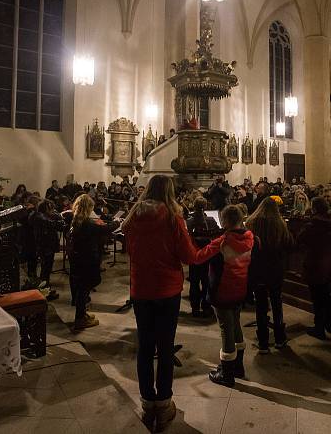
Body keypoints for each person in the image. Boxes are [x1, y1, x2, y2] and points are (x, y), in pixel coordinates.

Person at [121, 175, 204, 430]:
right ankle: (164, 404)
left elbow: (129, 250)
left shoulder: (133, 217)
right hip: (167, 290)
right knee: (165, 347)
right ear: (169, 192)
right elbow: (188, 256)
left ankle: (148, 403)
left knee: (145, 347)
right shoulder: (172, 218)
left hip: (142, 288)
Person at [195, 205, 254, 386]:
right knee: (235, 325)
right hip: (241, 288)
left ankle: (227, 374)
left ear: (225, 221)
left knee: (225, 329)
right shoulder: (250, 238)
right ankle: (238, 366)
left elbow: (198, 257)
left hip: (222, 290)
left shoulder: (223, 241)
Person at [246, 197, 293, 353]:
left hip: (257, 268)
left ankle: (263, 343)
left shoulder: (251, 223)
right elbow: (289, 244)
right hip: (275, 269)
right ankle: (280, 339)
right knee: (276, 303)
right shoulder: (280, 223)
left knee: (260, 305)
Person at [70, 194, 119, 331]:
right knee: (84, 288)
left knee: (83, 288)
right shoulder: (86, 223)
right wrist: (117, 222)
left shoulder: (77, 220)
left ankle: (82, 314)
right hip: (87, 259)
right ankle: (80, 319)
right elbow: (105, 229)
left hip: (79, 258)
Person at [299, 197, 331, 340]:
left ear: (314, 209)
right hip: (327, 262)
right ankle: (329, 324)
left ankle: (319, 328)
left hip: (314, 263)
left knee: (317, 297)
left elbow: (300, 239)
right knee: (326, 296)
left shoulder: (313, 225)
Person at [185, 197, 218, 317]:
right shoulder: (211, 220)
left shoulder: (189, 221)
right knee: (206, 281)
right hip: (207, 254)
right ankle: (206, 306)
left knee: (194, 282)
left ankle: (195, 307)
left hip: (194, 253)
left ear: (194, 206)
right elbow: (216, 235)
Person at [31, 199, 65, 299]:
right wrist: (58, 218)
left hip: (46, 246)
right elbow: (57, 225)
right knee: (45, 269)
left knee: (46, 269)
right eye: (50, 208)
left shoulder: (39, 216)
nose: (52, 210)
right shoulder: (40, 217)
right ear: (45, 208)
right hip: (45, 246)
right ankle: (44, 291)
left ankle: (46, 289)